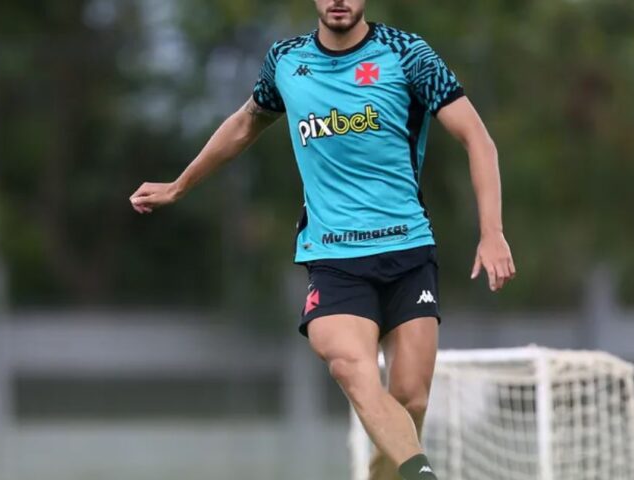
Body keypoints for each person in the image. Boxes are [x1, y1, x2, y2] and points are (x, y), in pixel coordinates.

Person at [129, 1, 516, 478]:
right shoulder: (286, 61)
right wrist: (178, 185)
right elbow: (245, 122)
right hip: (332, 257)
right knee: (349, 366)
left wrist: (492, 232)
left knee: (409, 399)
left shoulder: (408, 54)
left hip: (407, 249)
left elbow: (478, 139)